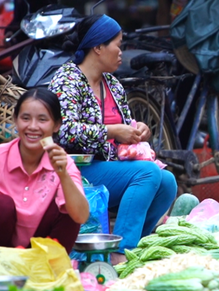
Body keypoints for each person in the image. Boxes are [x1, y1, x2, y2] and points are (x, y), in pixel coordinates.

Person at [48, 15, 177, 263]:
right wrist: (112, 131)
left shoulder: (113, 85)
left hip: (108, 166)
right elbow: (64, 130)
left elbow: (124, 127)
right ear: (97, 47)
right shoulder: (68, 79)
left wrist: (137, 130)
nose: (122, 52)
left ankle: (136, 244)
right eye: (118, 45)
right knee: (147, 173)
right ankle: (119, 255)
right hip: (75, 168)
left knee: (168, 182)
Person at [0, 88, 88, 252]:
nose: (33, 127)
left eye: (42, 120)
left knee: (68, 208)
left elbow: (80, 216)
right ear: (16, 121)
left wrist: (63, 175)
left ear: (56, 126)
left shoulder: (63, 163)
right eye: (25, 118)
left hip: (32, 255)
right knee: (2, 206)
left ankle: (50, 269)